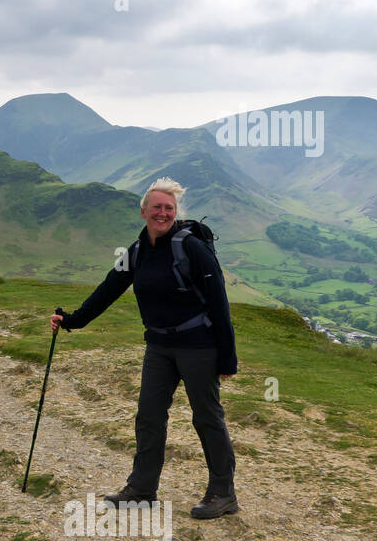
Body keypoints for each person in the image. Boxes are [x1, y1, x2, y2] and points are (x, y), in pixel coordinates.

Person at [49, 178, 240, 520]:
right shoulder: (136, 252)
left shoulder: (191, 248)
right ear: (143, 212)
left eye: (169, 208)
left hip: (199, 346)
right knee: (149, 417)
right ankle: (141, 489)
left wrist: (228, 356)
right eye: (157, 208)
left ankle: (223, 493)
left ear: (176, 212)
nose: (163, 213)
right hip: (159, 346)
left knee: (207, 417)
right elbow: (108, 290)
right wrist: (72, 321)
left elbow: (219, 302)